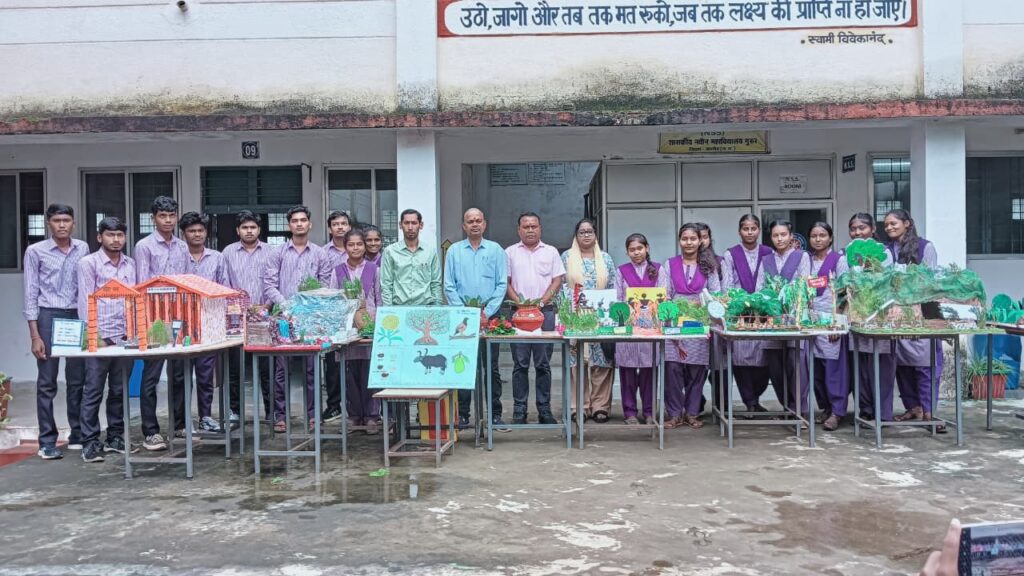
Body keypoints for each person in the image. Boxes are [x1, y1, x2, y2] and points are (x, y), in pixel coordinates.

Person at [23, 204, 90, 460]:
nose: (62, 225)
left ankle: (78, 434)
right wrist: (35, 335)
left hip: (75, 316)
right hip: (48, 316)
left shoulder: (82, 248)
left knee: (77, 379)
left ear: (73, 223)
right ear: (48, 223)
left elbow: (86, 286)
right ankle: (47, 441)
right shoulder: (35, 251)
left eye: (66, 220)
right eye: (56, 220)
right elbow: (30, 293)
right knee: (47, 382)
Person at [263, 205, 334, 433]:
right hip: (283, 319)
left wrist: (307, 308)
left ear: (310, 224)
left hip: (310, 319)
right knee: (281, 370)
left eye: (303, 220)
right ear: (289, 225)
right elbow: (269, 285)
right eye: (295, 221)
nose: (299, 224)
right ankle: (280, 416)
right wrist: (287, 306)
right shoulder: (278, 253)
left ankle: (313, 415)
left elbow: (325, 285)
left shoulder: (320, 254)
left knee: (312, 370)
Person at [77, 217, 136, 463]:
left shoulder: (130, 264)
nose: (116, 240)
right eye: (110, 235)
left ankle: (115, 437)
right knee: (93, 390)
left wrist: (134, 333)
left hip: (124, 337)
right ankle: (90, 442)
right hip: (99, 337)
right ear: (99, 237)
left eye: (120, 235)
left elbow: (134, 298)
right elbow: (85, 299)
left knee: (119, 390)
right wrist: (92, 335)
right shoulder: (88, 263)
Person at [443, 208, 508, 429]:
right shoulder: (454, 251)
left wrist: (486, 312)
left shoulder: (496, 250)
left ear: (484, 224)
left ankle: (495, 415)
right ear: (464, 226)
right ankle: (463, 415)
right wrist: (466, 314)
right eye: (470, 221)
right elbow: (449, 285)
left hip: (490, 315)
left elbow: (501, 284)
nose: (474, 224)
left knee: (491, 367)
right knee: (463, 365)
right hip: (462, 318)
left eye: (478, 220)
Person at [135, 195, 189, 451]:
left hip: (178, 315)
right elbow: (141, 285)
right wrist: (145, 321)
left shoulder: (182, 247)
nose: (168, 221)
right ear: (153, 218)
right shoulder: (144, 246)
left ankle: (179, 425)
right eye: (162, 216)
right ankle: (151, 431)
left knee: (179, 374)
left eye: (171, 216)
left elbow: (186, 281)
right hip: (154, 317)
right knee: (151, 376)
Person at [884, 208, 944, 430]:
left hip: (921, 314)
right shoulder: (887, 250)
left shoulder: (925, 247)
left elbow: (931, 281)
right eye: (886, 225)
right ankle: (913, 407)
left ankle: (930, 412)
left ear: (907, 223)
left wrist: (914, 302)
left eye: (893, 223)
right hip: (896, 315)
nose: (889, 227)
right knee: (902, 365)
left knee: (926, 365)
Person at [506, 212, 565, 424]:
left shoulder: (551, 252)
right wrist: (522, 304)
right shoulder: (509, 253)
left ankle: (544, 410)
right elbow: (506, 282)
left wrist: (540, 303)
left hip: (544, 313)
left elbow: (557, 281)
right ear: (518, 230)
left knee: (543, 364)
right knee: (520, 364)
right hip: (518, 314)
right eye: (526, 226)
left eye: (534, 226)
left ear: (540, 228)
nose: (530, 230)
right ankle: (519, 410)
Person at [664, 224, 721, 428]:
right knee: (672, 368)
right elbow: (665, 294)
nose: (689, 243)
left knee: (697, 370)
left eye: (693, 239)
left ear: (700, 241)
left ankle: (692, 413)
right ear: (679, 240)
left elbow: (716, 294)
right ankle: (674, 414)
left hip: (699, 322)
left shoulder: (709, 266)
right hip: (674, 323)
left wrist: (703, 306)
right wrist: (670, 314)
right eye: (684, 239)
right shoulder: (670, 264)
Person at [561, 219, 617, 423]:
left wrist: (610, 312)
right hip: (576, 317)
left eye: (589, 231)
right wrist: (568, 313)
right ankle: (578, 407)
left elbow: (613, 286)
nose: (586, 235)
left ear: (595, 235)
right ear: (576, 236)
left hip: (602, 317)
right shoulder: (567, 257)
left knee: (602, 362)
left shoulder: (606, 258)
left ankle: (600, 407)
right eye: (582, 232)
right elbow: (561, 288)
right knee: (577, 363)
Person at [179, 212, 229, 434]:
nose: (197, 234)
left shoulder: (217, 258)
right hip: (181, 324)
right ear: (184, 234)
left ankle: (205, 416)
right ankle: (181, 421)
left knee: (206, 374)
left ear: (206, 233)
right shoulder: (177, 257)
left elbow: (224, 288)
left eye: (200, 230)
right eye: (192, 231)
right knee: (180, 375)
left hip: (209, 324)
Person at [846, 212, 897, 422]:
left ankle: (883, 413)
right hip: (856, 315)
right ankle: (865, 409)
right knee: (860, 364)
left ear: (873, 229)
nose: (857, 232)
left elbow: (886, 281)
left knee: (882, 364)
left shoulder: (883, 252)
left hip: (880, 314)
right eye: (853, 229)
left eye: (862, 228)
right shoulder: (848, 253)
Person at [756, 219, 811, 414]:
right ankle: (787, 408)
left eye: (783, 234)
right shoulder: (766, 260)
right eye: (775, 235)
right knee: (776, 368)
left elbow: (805, 284)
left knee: (797, 366)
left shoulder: (801, 256)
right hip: (772, 320)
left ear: (791, 236)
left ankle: (800, 410)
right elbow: (760, 289)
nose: (779, 239)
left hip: (795, 319)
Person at [223, 211, 273, 425]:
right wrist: (235, 308)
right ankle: (235, 411)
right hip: (236, 319)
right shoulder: (228, 252)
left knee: (267, 367)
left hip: (264, 316)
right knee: (235, 368)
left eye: (253, 227)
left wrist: (266, 306)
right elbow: (224, 282)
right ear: (238, 230)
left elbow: (274, 281)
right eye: (245, 227)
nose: (249, 231)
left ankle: (272, 412)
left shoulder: (271, 252)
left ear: (259, 229)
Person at [331, 229, 382, 434]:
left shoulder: (373, 269)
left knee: (370, 371)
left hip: (370, 328)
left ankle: (371, 416)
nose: (355, 248)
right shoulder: (338, 271)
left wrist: (376, 323)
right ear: (345, 247)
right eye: (351, 244)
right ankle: (353, 416)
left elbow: (379, 299)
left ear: (364, 246)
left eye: (359, 244)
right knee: (350, 373)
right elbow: (333, 300)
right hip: (348, 330)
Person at [720, 214, 773, 413]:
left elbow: (772, 281)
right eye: (745, 228)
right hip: (740, 314)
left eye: (753, 228)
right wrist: (734, 305)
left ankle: (755, 398)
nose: (749, 232)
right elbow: (727, 285)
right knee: (740, 359)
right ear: (739, 231)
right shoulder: (731, 254)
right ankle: (750, 401)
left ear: (759, 230)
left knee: (763, 360)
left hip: (763, 313)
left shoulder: (768, 253)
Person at [616, 234, 669, 427]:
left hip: (651, 329)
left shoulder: (658, 270)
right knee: (627, 372)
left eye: (639, 248)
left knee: (649, 371)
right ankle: (629, 412)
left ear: (647, 248)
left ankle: (649, 412)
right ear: (627, 252)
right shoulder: (621, 271)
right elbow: (618, 298)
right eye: (632, 250)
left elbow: (664, 296)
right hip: (629, 328)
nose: (636, 252)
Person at [807, 222, 849, 431]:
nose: (818, 239)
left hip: (831, 321)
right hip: (811, 322)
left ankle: (837, 411)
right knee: (816, 370)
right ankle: (824, 407)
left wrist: (837, 324)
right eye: (814, 236)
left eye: (822, 235)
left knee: (834, 370)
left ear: (830, 238)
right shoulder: (807, 260)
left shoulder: (838, 260)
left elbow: (844, 293)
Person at [321, 210, 353, 424]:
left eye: (344, 223)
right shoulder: (323, 253)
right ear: (329, 228)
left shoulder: (358, 247)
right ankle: (334, 405)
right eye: (336, 224)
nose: (340, 227)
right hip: (332, 314)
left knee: (357, 363)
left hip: (357, 313)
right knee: (333, 363)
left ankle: (358, 406)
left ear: (349, 227)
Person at [380, 209, 442, 306]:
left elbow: (436, 284)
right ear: (400, 225)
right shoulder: (390, 251)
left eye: (414, 223)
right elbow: (386, 285)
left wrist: (438, 308)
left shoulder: (430, 252)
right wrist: (388, 310)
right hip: (399, 307)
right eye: (406, 223)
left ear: (421, 225)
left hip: (425, 307)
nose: (410, 227)